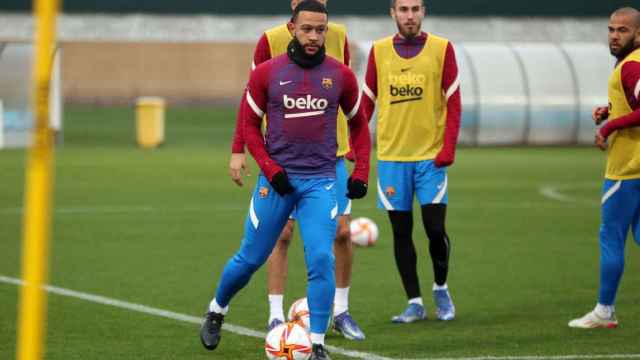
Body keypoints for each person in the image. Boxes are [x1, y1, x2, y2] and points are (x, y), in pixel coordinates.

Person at [200, 1, 371, 359]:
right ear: (292, 28)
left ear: (327, 31)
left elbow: (359, 124)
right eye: (307, 29)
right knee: (250, 258)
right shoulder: (267, 73)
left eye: (320, 30)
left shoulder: (340, 74)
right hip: (276, 182)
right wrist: (269, 167)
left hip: (321, 181)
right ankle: (217, 310)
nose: (313, 36)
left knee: (321, 258)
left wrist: (361, 172)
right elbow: (248, 123)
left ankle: (319, 342)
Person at [360, 0, 461, 323]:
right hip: (391, 158)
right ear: (392, 13)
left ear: (424, 12)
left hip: (430, 158)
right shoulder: (378, 51)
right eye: (403, 9)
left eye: (415, 9)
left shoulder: (442, 49)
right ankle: (414, 302)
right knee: (401, 231)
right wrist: (356, 145)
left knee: (434, 228)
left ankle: (441, 288)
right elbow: (366, 103)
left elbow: (454, 103)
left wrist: (448, 148)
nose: (410, 15)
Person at [569, 7, 640, 329]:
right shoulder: (629, 65)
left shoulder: (631, 66)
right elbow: (632, 104)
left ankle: (604, 311)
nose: (614, 35)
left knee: (611, 236)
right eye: (611, 29)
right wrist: (609, 111)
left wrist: (609, 128)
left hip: (626, 170)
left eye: (622, 30)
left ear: (637, 34)